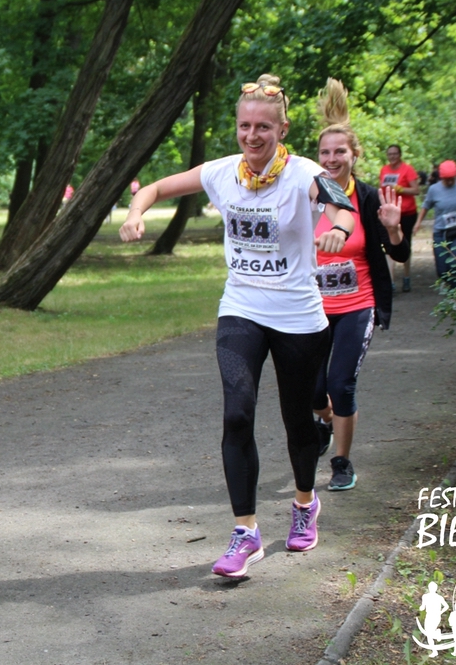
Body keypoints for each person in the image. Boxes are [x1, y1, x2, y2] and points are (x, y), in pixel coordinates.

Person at [120, 74, 357, 578]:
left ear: (282, 129)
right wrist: (136, 213)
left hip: (297, 316)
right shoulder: (222, 172)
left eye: (263, 127)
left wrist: (337, 227)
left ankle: (304, 503)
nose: (252, 135)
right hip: (241, 308)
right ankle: (245, 532)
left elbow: (340, 201)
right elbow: (156, 187)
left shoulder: (305, 173)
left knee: (297, 421)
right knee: (236, 415)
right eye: (245, 126)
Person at [312, 79, 409, 491]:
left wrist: (395, 229)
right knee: (313, 390)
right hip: (311, 309)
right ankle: (325, 422)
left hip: (357, 305)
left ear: (355, 155)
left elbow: (399, 255)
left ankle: (341, 462)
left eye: (340, 152)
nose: (332, 159)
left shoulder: (369, 199)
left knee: (340, 383)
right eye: (325, 152)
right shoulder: (308, 195)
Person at [414, 159, 456, 289]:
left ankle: (454, 292)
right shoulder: (434, 189)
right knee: (442, 269)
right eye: (446, 179)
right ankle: (449, 284)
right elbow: (425, 206)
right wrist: (418, 223)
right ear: (441, 177)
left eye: (452, 179)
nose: (449, 182)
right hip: (441, 233)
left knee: (455, 264)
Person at [379, 145, 420, 292]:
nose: (392, 156)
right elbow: (381, 189)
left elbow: (416, 190)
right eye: (390, 154)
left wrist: (401, 189)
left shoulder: (407, 169)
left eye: (395, 154)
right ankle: (391, 281)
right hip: (390, 213)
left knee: (404, 243)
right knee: (389, 244)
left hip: (407, 212)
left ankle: (406, 277)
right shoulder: (384, 170)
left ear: (400, 155)